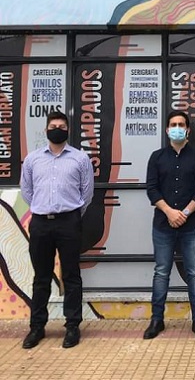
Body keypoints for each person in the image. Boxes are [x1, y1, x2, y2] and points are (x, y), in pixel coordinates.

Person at [20, 111, 94, 349]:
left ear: (68, 130)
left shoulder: (80, 158)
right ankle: (37, 327)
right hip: (40, 223)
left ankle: (72, 326)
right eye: (53, 126)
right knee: (41, 277)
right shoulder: (32, 159)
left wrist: (71, 214)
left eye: (62, 126)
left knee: (71, 275)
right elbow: (27, 191)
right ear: (46, 130)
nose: (57, 129)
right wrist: (42, 208)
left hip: (69, 222)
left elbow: (87, 193)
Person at [144, 110, 195, 341]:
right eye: (173, 124)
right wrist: (170, 212)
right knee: (161, 272)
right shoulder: (156, 157)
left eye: (181, 124)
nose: (177, 128)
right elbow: (152, 189)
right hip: (163, 224)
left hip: (192, 226)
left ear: (188, 130)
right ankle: (157, 320)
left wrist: (184, 213)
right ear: (167, 130)